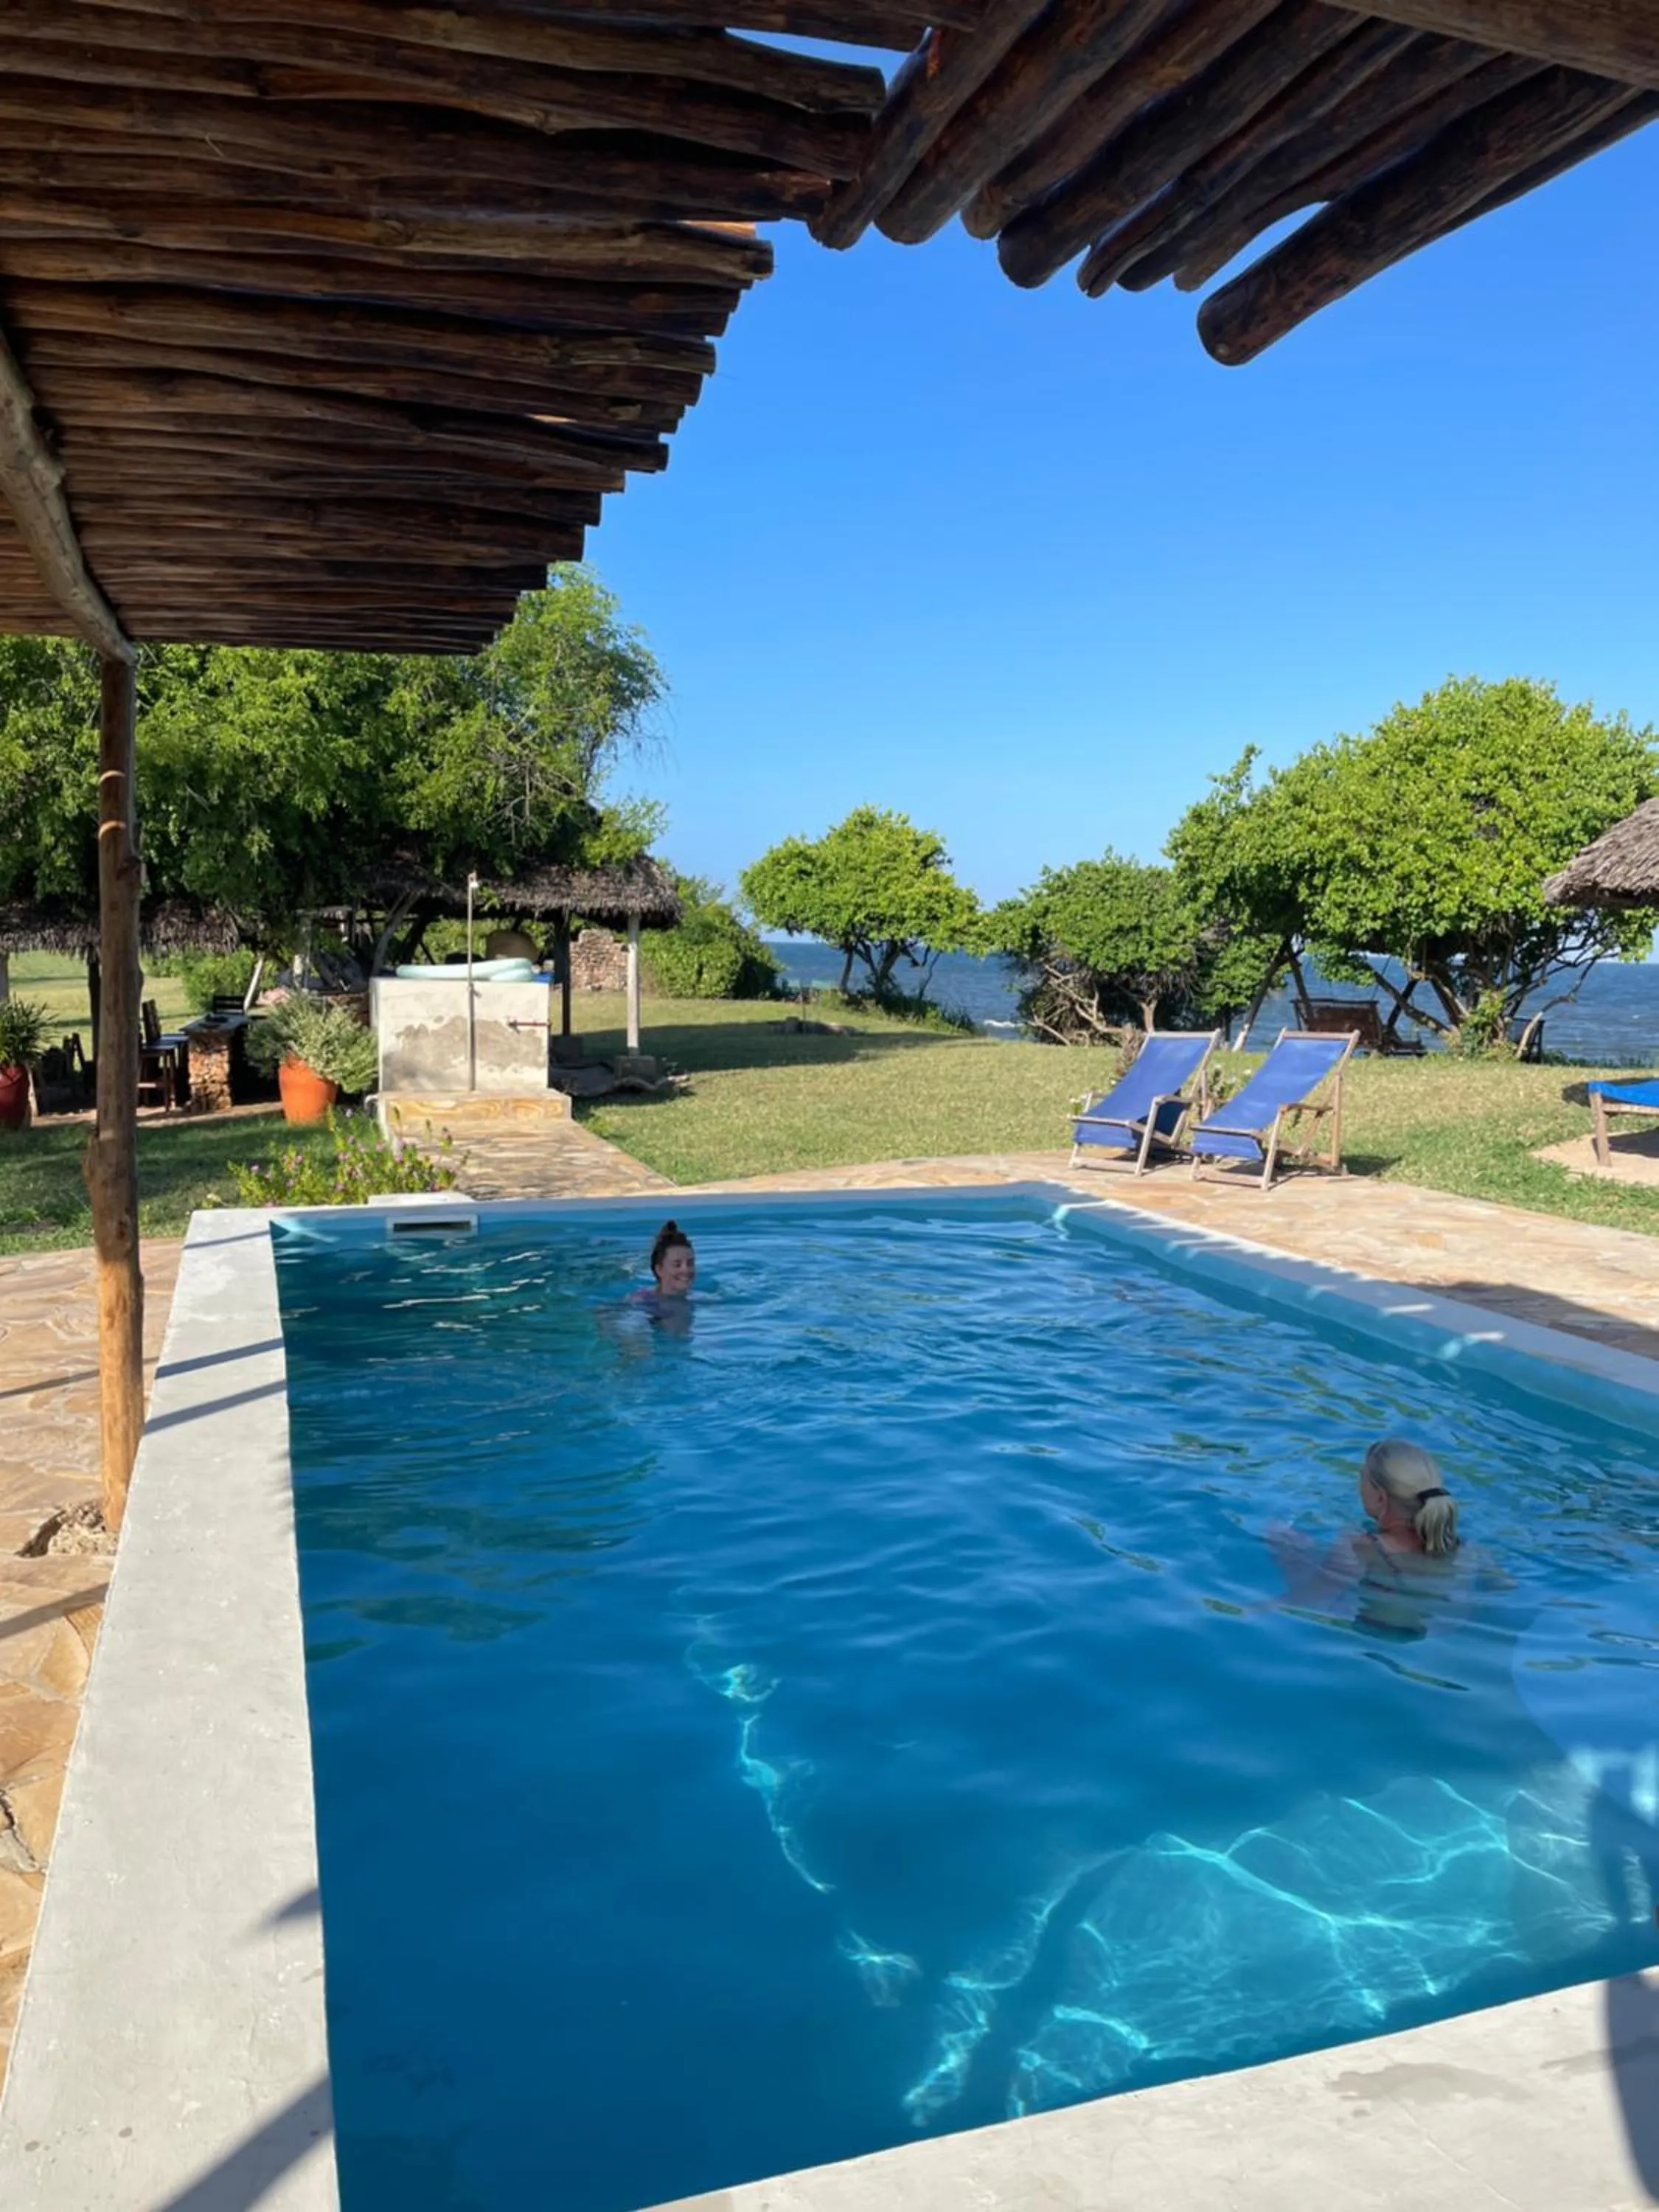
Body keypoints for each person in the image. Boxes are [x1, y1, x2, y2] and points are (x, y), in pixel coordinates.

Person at [1266, 1439, 1460, 1639]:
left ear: (1380, 1498)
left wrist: (1288, 1558)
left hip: (1368, 1637)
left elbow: (1309, 1599)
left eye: (1362, 1478)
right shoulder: (1469, 1550)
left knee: (1284, 1541)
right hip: (1429, 1640)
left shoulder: (1361, 1546)